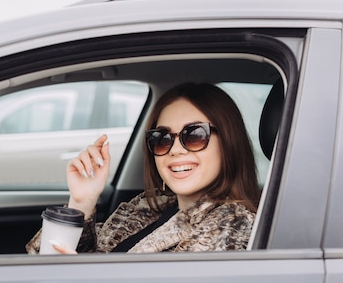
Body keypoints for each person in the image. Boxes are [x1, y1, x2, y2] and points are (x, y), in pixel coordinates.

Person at [26, 82, 260, 254]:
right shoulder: (145, 209)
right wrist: (82, 202)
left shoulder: (231, 224)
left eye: (195, 135)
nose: (175, 150)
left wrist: (81, 282)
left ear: (228, 144)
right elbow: (52, 261)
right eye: (162, 138)